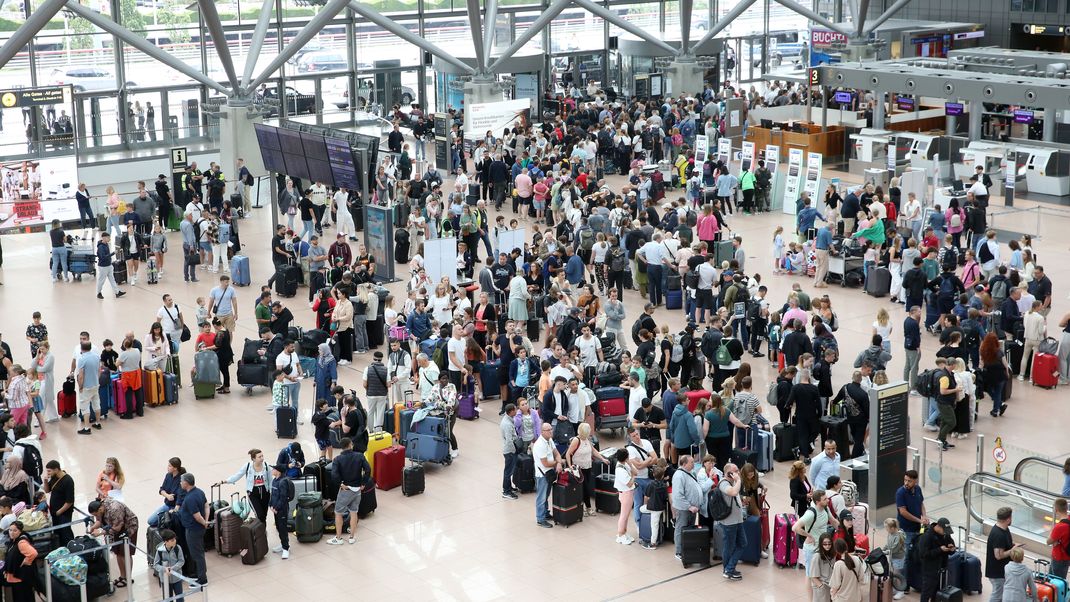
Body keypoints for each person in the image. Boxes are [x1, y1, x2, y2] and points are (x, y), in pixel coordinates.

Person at [88, 496, 139, 589]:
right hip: (115, 529)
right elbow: (99, 521)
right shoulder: (100, 509)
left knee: (125, 553)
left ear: (100, 509)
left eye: (96, 514)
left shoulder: (115, 509)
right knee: (118, 553)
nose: (96, 517)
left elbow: (117, 528)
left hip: (128, 528)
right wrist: (93, 527)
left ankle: (128, 578)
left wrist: (100, 532)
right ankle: (122, 576)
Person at [327, 436, 370, 545]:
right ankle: (352, 537)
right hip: (357, 490)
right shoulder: (360, 456)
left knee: (338, 513)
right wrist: (363, 483)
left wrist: (341, 484)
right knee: (354, 512)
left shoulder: (337, 459)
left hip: (346, 490)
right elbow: (368, 469)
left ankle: (338, 538)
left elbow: (334, 475)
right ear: (350, 445)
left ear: (341, 447)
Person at [220, 449, 272, 523]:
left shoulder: (266, 466)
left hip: (265, 492)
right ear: (254, 459)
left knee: (264, 515)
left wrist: (271, 493)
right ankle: (260, 532)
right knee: (259, 515)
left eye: (262, 456)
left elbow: (271, 481)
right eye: (259, 457)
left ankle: (262, 532)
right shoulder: (248, 466)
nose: (262, 458)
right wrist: (224, 481)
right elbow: (237, 475)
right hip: (253, 493)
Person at [794, 489, 839, 572]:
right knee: (811, 575)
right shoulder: (810, 513)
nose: (828, 500)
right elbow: (795, 527)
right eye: (825, 499)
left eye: (827, 498)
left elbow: (833, 521)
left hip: (822, 547)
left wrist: (844, 532)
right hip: (812, 549)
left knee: (821, 574)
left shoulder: (825, 508)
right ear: (818, 502)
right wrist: (809, 535)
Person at [671, 454, 705, 559]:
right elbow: (677, 496)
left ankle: (687, 548)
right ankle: (679, 552)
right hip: (684, 509)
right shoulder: (679, 476)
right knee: (681, 529)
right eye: (691, 463)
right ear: (684, 464)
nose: (694, 464)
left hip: (692, 508)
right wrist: (689, 506)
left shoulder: (690, 473)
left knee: (689, 529)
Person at [177, 473, 209, 585]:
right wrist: (206, 521)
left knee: (197, 554)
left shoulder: (190, 498)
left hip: (193, 530)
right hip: (199, 528)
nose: (180, 483)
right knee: (198, 552)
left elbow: (196, 516)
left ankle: (202, 580)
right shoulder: (199, 492)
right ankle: (200, 574)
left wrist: (204, 522)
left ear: (186, 483)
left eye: (181, 481)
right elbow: (206, 505)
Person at [717, 462, 747, 580]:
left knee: (742, 543)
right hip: (729, 522)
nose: (738, 473)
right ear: (728, 473)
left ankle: (729, 568)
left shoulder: (732, 482)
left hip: (737, 520)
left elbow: (735, 496)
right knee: (729, 546)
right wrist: (738, 480)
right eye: (735, 471)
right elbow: (733, 492)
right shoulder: (723, 484)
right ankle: (728, 570)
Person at [985, 506, 1021, 601]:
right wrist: (1013, 550)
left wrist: (1013, 545)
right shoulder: (998, 534)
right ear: (1008, 519)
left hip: (1001, 570)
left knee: (1000, 594)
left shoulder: (1004, 529)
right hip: (997, 572)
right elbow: (998, 555)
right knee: (997, 596)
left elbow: (1005, 545)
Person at [917, 518, 956, 602]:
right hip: (930, 570)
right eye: (944, 530)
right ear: (938, 526)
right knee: (927, 592)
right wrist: (939, 550)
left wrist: (952, 548)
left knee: (938, 592)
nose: (945, 533)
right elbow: (923, 554)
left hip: (942, 568)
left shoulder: (946, 534)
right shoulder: (927, 536)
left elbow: (951, 544)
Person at [532, 422, 561, 528]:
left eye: (551, 429)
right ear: (542, 432)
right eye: (548, 430)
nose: (550, 432)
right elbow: (545, 463)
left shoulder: (549, 440)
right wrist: (557, 462)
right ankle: (540, 519)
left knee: (546, 495)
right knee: (541, 497)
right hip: (542, 475)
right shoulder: (539, 444)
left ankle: (546, 513)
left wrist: (558, 462)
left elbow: (556, 453)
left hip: (549, 473)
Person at [4, 520, 37, 602]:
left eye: (15, 530)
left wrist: (26, 561)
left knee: (23, 597)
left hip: (21, 577)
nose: (12, 533)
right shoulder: (14, 541)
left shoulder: (21, 542)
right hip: (17, 577)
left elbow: (33, 553)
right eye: (10, 530)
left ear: (20, 531)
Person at [148, 457, 185, 528]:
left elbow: (180, 497)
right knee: (151, 521)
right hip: (168, 505)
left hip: (176, 507)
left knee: (170, 522)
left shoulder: (181, 480)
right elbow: (161, 490)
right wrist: (167, 496)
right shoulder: (168, 475)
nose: (167, 467)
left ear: (175, 468)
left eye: (169, 466)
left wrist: (175, 510)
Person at [268, 462, 294, 559]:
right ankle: (283, 544)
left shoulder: (283, 482)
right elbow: (273, 494)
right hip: (275, 509)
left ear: (278, 471)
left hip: (281, 509)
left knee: (282, 528)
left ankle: (286, 548)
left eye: (274, 469)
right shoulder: (275, 480)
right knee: (278, 527)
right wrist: (270, 505)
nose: (272, 470)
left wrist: (276, 508)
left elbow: (283, 498)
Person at [152, 529, 186, 599]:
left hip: (177, 579)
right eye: (172, 540)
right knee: (167, 599)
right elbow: (155, 565)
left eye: (175, 539)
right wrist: (165, 569)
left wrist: (172, 569)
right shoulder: (160, 551)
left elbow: (181, 561)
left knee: (180, 598)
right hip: (165, 580)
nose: (175, 541)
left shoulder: (178, 548)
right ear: (166, 541)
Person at [808, 532, 836, 602]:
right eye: (825, 544)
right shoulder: (817, 556)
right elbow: (813, 577)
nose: (827, 546)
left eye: (829, 543)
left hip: (831, 585)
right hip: (822, 586)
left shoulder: (832, 554)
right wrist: (821, 586)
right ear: (821, 544)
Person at [1047, 498, 1070, 580]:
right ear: (1066, 508)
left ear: (1056, 510)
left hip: (1059, 558)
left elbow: (1048, 541)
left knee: (1055, 583)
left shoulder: (1059, 527)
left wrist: (1052, 530)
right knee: (1060, 581)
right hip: (1067, 556)